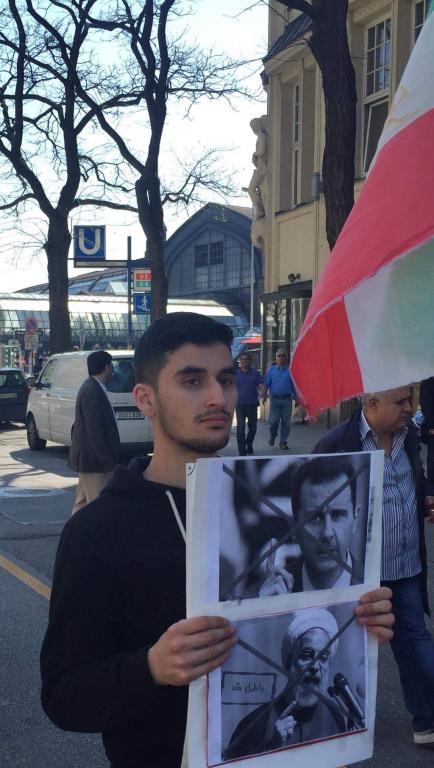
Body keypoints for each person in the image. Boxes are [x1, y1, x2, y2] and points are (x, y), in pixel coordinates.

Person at [40, 313, 394, 768]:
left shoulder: (270, 518)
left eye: (225, 379)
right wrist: (151, 667)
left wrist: (361, 622)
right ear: (146, 399)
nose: (217, 397)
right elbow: (63, 696)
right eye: (192, 380)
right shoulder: (98, 531)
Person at [313, 386, 434, 747]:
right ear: (372, 403)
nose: (408, 408)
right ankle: (332, 729)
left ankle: (426, 721)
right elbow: (314, 506)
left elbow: (417, 475)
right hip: (357, 573)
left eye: (409, 400)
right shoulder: (338, 443)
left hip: (406, 563)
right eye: (400, 402)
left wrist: (426, 492)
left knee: (415, 643)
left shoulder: (408, 435)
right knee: (343, 649)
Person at [225, 609, 357, 760]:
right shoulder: (254, 725)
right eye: (307, 655)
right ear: (289, 664)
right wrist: (272, 748)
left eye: (323, 657)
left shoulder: (336, 718)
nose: (315, 666)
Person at [258, 456, 365, 597]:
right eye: (315, 518)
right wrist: (266, 614)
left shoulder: (378, 586)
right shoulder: (262, 596)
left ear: (355, 520)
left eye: (337, 515)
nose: (327, 533)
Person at [68, 350, 120, 514]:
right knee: (98, 508)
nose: (112, 371)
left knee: (82, 504)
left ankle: (73, 537)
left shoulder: (92, 387)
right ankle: (91, 538)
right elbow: (94, 432)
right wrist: (107, 464)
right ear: (106, 367)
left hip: (89, 459)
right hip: (94, 462)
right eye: (111, 367)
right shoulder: (92, 391)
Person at [262, 349, 296, 449]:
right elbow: (266, 384)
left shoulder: (290, 371)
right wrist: (264, 395)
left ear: (286, 358)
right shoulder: (271, 370)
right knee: (273, 422)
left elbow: (294, 386)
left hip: (287, 400)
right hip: (275, 400)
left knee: (286, 422)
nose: (281, 358)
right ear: (276, 358)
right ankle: (272, 436)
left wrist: (297, 398)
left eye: (283, 356)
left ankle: (283, 442)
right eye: (279, 356)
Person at [235, 352, 263, 456]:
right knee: (240, 429)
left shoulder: (255, 373)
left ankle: (249, 443)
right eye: (242, 359)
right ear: (240, 361)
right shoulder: (235, 374)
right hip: (240, 405)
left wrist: (263, 391)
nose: (244, 361)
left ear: (250, 361)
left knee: (253, 429)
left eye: (246, 359)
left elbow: (261, 384)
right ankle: (242, 453)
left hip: (252, 405)